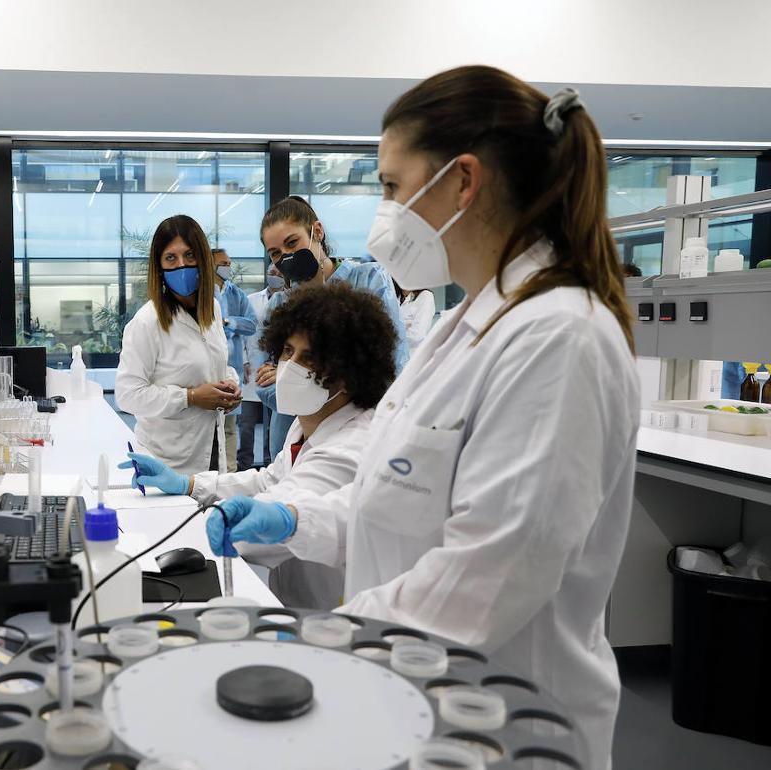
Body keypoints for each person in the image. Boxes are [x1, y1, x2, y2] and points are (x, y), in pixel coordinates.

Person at [206, 66, 639, 768]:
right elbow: (397, 501)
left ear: (462, 182)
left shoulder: (560, 337)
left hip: (504, 719)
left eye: (390, 185)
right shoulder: (466, 322)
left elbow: (490, 571)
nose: (384, 210)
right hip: (425, 693)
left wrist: (326, 642)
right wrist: (297, 520)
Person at [119, 282, 398, 607]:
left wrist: (169, 531)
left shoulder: (351, 447)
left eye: (309, 359)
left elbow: (269, 520)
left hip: (332, 613)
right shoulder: (308, 422)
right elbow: (270, 480)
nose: (290, 367)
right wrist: (189, 484)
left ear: (349, 373)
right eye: (288, 352)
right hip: (291, 599)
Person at [254, 196, 410, 459]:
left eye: (292, 243)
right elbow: (265, 384)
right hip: (292, 438)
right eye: (276, 253)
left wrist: (292, 377)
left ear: (316, 231)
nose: (286, 257)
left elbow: (390, 366)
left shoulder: (368, 279)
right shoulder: (279, 303)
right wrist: (330, 379)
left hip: (357, 435)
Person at [115, 215, 241, 476]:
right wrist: (191, 397)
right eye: (171, 258)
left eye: (190, 255)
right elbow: (127, 395)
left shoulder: (212, 310)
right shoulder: (147, 322)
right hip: (167, 461)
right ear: (159, 267)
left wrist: (229, 384)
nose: (182, 265)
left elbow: (214, 364)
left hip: (211, 448)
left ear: (203, 259)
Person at [213, 247, 257, 473]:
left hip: (233, 369)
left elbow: (251, 324)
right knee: (208, 427)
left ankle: (228, 474)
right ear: (211, 265)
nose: (228, 267)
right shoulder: (200, 293)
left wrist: (228, 322)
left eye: (229, 263)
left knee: (230, 427)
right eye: (224, 263)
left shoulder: (236, 294)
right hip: (209, 370)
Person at [237, 265, 284, 469]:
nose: (274, 277)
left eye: (279, 274)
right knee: (246, 425)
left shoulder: (289, 301)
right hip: (252, 372)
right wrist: (245, 360)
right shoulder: (251, 300)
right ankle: (243, 466)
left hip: (276, 373)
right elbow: (241, 334)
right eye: (271, 273)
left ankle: (269, 466)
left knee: (272, 427)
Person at [395, 279, 436, 355]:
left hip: (412, 356)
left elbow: (417, 334)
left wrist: (394, 336)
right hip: (396, 355)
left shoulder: (425, 296)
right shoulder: (398, 299)